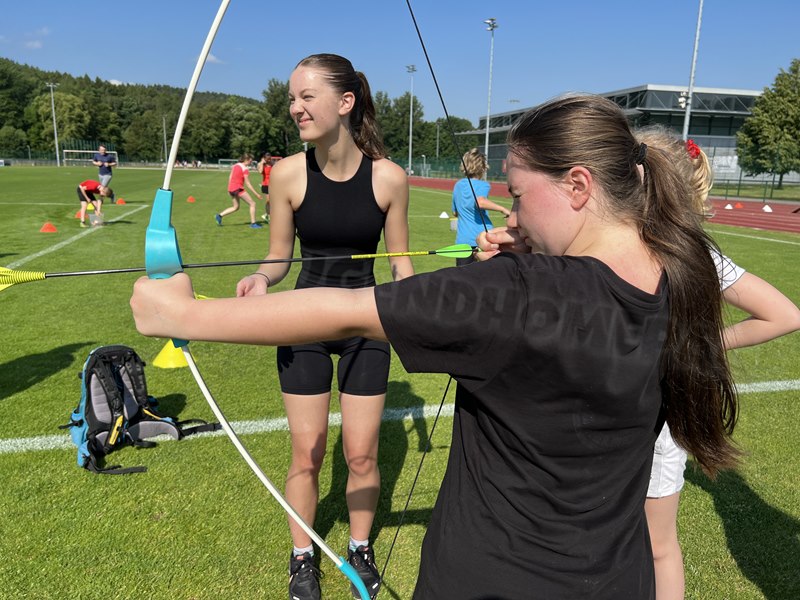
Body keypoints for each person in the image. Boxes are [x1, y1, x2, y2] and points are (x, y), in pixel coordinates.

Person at [131, 95, 740, 599]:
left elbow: (342, 309)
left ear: (577, 185)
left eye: (518, 195)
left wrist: (183, 314)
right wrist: (534, 261)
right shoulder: (681, 276)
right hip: (617, 578)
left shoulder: (519, 293)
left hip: (490, 579)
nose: (513, 218)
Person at [238, 54, 412, 599]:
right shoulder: (287, 174)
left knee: (361, 454)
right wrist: (260, 279)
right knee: (307, 453)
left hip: (365, 325)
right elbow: (278, 257)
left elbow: (401, 262)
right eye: (292, 98)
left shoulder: (389, 178)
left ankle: (360, 548)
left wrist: (414, 308)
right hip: (304, 324)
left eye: (307, 96)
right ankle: (302, 556)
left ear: (345, 102)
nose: (295, 108)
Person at [636, 131, 800, 600]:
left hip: (659, 422)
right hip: (603, 418)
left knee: (657, 546)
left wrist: (698, 347)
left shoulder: (694, 252)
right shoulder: (596, 244)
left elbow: (784, 315)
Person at [451, 148, 510, 265]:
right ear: (483, 167)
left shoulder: (458, 185)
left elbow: (455, 212)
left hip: (463, 241)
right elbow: (480, 202)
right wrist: (503, 209)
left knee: (463, 275)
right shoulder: (483, 185)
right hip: (483, 240)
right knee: (486, 275)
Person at [215, 153, 263, 229]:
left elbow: (230, 176)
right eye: (250, 161)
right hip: (238, 189)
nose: (251, 162)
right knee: (252, 204)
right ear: (246, 160)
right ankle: (253, 224)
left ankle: (219, 216)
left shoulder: (235, 165)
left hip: (231, 189)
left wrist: (229, 188)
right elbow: (248, 183)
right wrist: (256, 194)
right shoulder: (245, 169)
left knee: (236, 207)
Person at [257, 152, 273, 223]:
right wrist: (262, 163)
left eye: (270, 158)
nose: (269, 160)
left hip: (273, 184)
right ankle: (268, 216)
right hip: (266, 185)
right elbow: (260, 172)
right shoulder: (261, 164)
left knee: (273, 201)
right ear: (264, 158)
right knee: (269, 201)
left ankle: (266, 215)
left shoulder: (272, 163)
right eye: (267, 159)